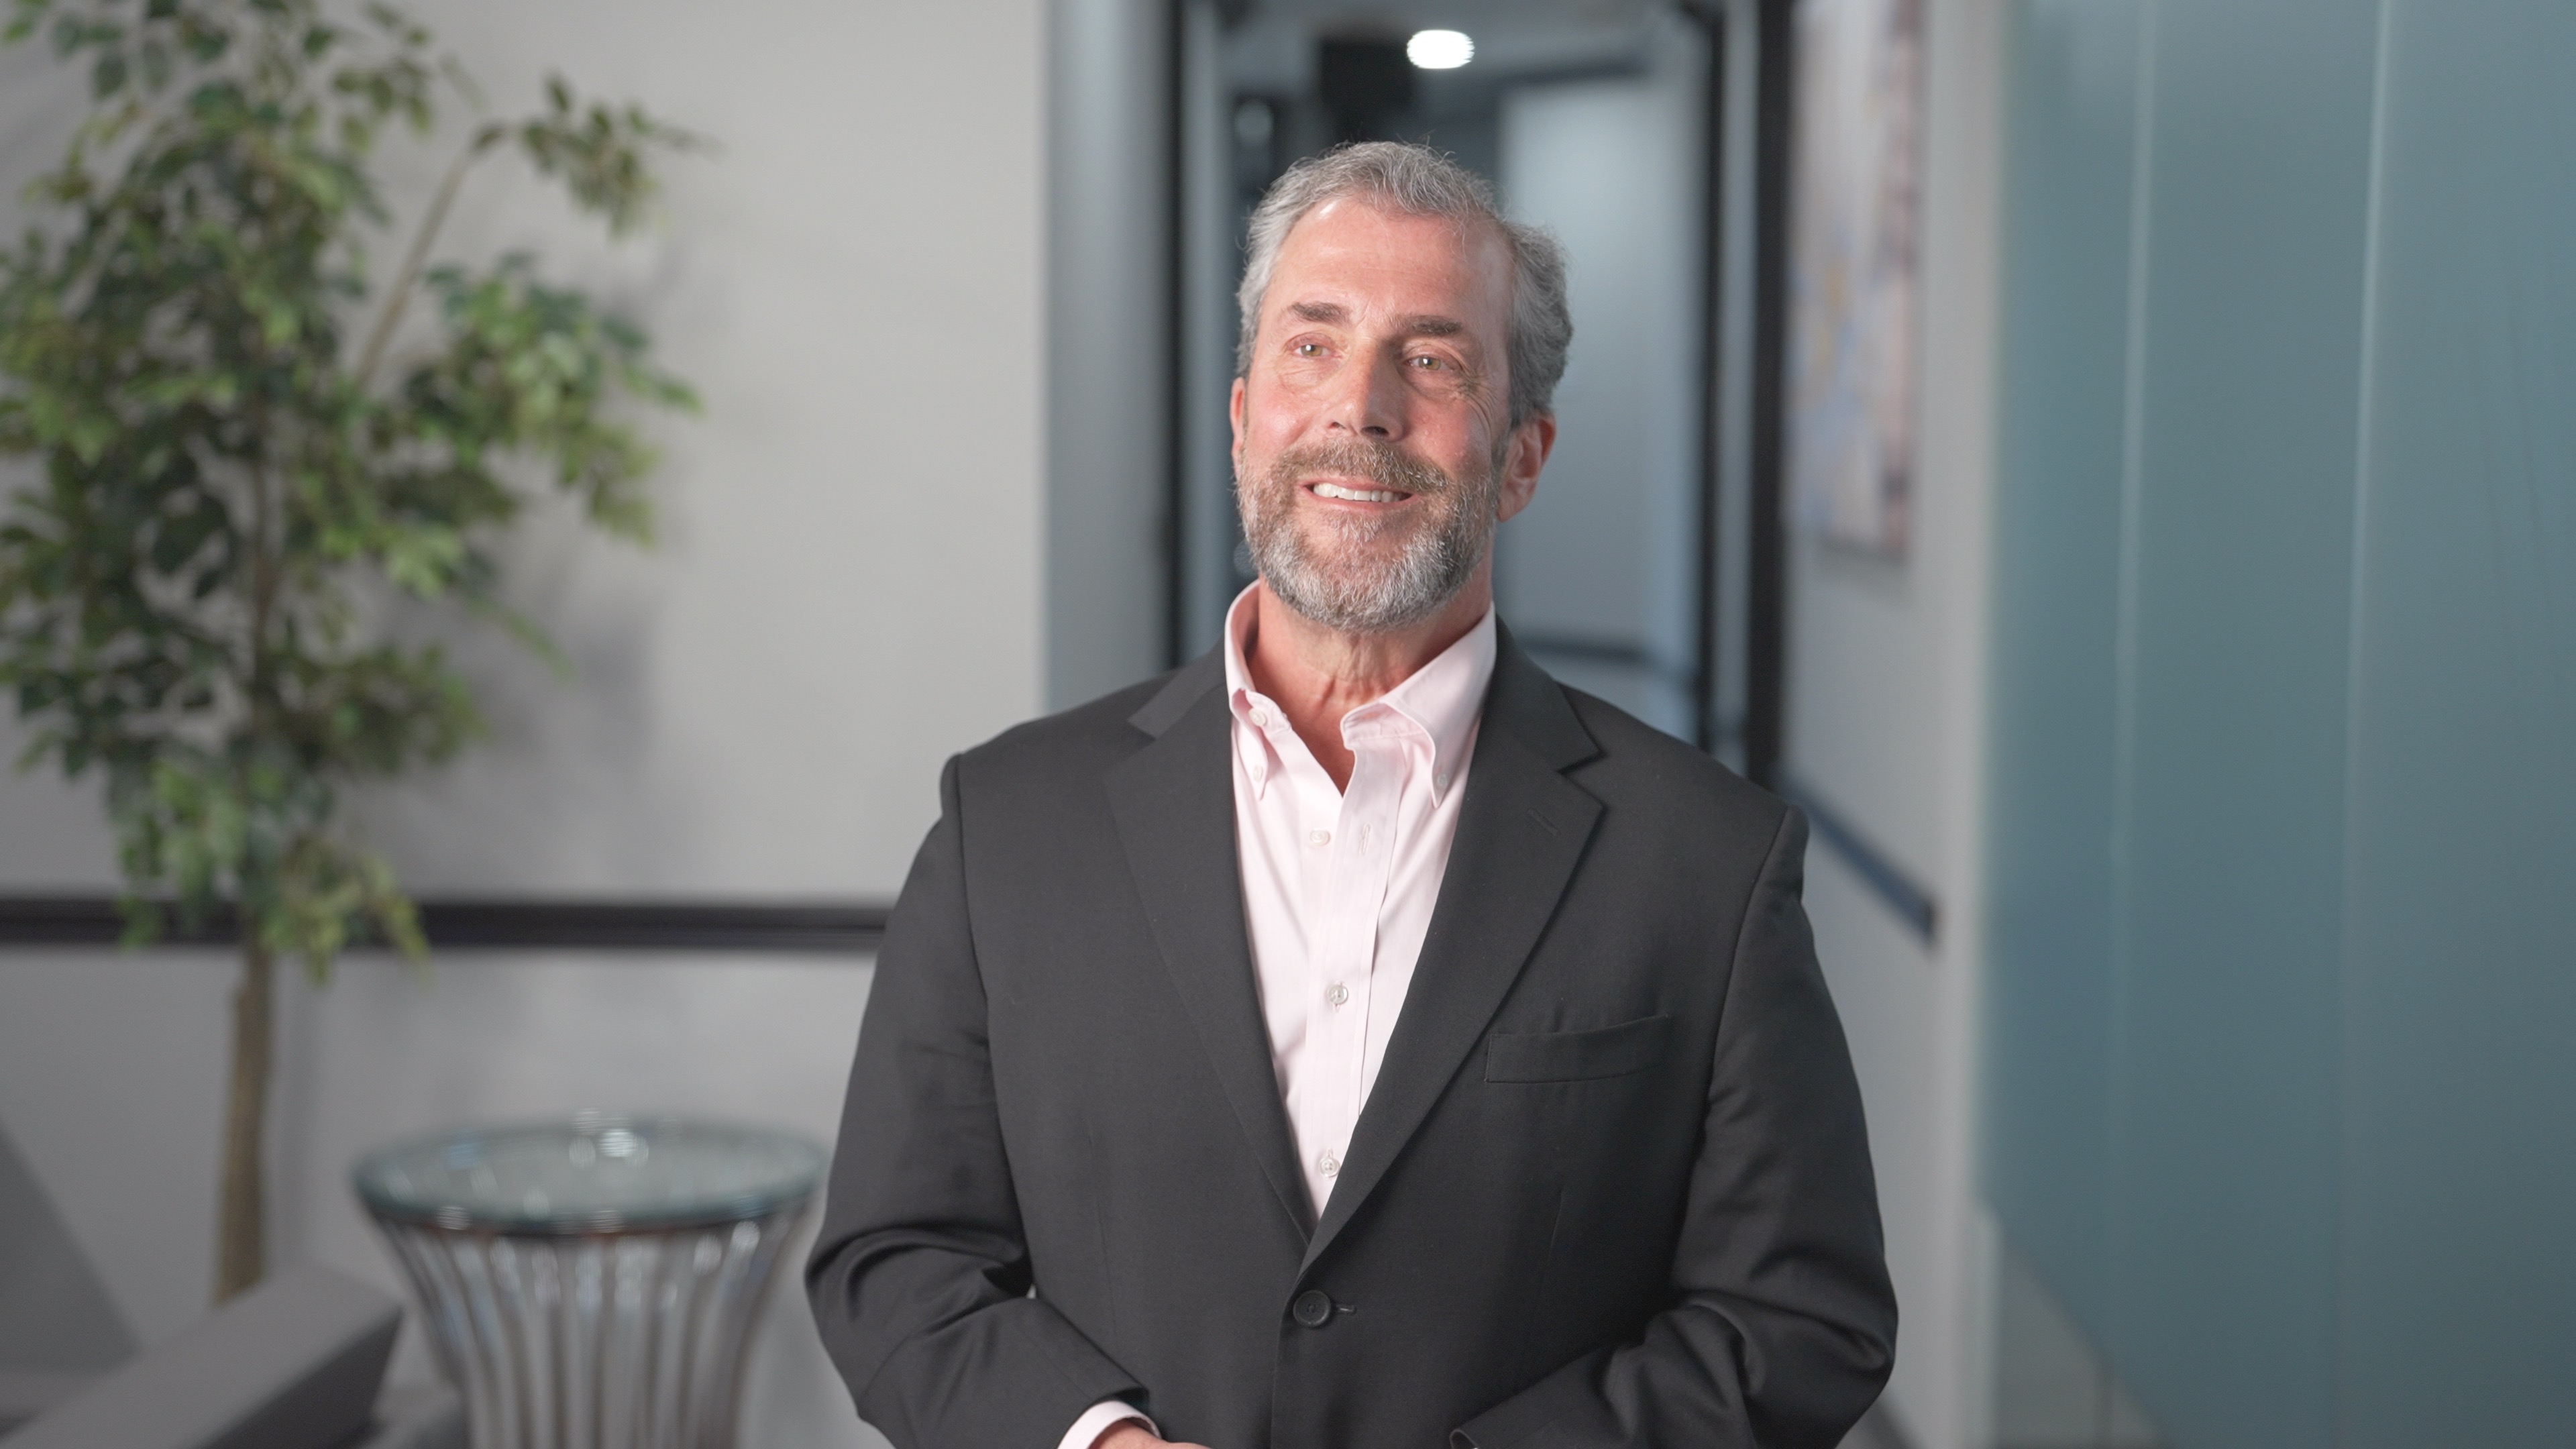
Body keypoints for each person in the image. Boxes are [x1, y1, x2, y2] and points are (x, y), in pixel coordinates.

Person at [807, 141, 1894, 1449]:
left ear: (1523, 458)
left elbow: (1796, 1321)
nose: (1360, 408)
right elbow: (897, 1262)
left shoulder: (1708, 863)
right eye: (1312, 345)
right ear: (1242, 417)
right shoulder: (1009, 827)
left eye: (1431, 361)